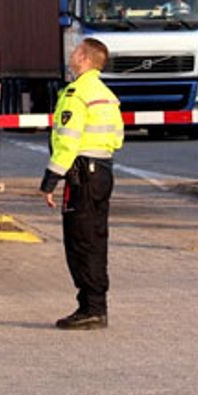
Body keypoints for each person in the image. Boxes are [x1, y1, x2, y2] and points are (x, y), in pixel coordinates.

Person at [39, 38, 123, 330]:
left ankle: (91, 308)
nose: (71, 55)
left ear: (85, 59)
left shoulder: (77, 93)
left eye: (76, 52)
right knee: (97, 238)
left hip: (82, 173)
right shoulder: (106, 94)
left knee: (80, 242)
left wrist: (51, 180)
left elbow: (67, 140)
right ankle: (95, 304)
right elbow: (116, 137)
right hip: (102, 170)